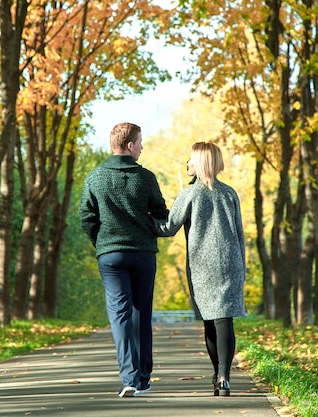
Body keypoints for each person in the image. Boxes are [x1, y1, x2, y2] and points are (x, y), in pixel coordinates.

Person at [79, 122, 168, 398]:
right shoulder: (146, 178)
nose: (142, 147)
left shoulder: (94, 177)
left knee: (119, 315)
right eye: (140, 142)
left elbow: (86, 216)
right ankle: (143, 378)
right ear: (129, 145)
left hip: (111, 255)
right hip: (143, 253)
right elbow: (161, 211)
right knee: (141, 314)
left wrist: (102, 243)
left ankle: (128, 378)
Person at [153, 141, 246, 396]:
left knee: (209, 321)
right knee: (224, 318)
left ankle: (218, 374)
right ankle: (224, 377)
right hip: (231, 263)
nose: (187, 163)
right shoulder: (229, 193)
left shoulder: (190, 193)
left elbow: (168, 228)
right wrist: (243, 268)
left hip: (203, 266)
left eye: (191, 159)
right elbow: (240, 234)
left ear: (201, 162)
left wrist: (141, 218)